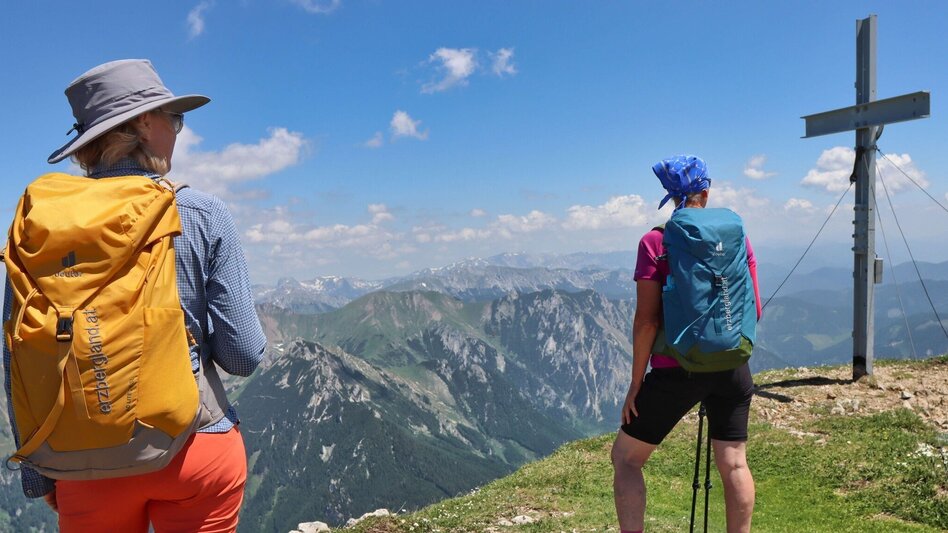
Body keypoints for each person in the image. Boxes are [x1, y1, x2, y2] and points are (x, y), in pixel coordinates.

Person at [2, 59, 267, 532]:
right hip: (196, 450)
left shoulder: (38, 227)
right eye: (176, 119)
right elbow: (243, 356)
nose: (179, 132)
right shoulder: (200, 211)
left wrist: (37, 475)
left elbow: (19, 353)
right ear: (144, 123)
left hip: (82, 463)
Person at [611, 155, 762, 533]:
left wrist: (635, 384)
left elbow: (646, 320)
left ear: (669, 197)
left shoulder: (655, 242)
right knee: (735, 464)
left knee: (626, 459)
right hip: (732, 366)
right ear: (705, 193)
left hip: (675, 370)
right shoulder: (736, 239)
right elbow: (753, 308)